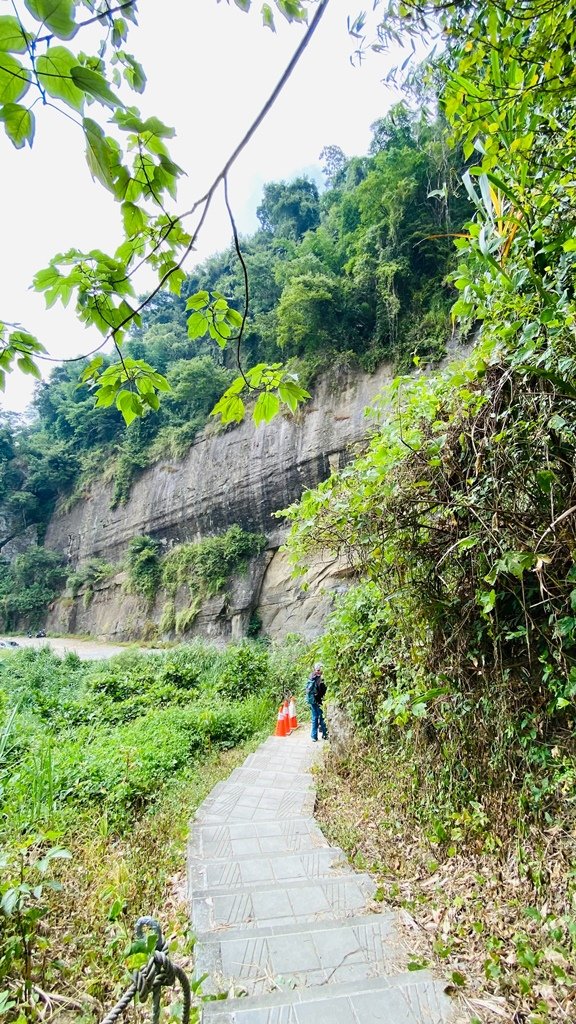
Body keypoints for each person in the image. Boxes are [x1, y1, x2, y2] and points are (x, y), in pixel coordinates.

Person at [306, 662, 328, 742]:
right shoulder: (321, 679)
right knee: (322, 718)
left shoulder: (311, 676)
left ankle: (314, 736)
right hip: (319, 701)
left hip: (312, 700)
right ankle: (325, 735)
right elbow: (322, 691)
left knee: (314, 717)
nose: (319, 671)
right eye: (319, 669)